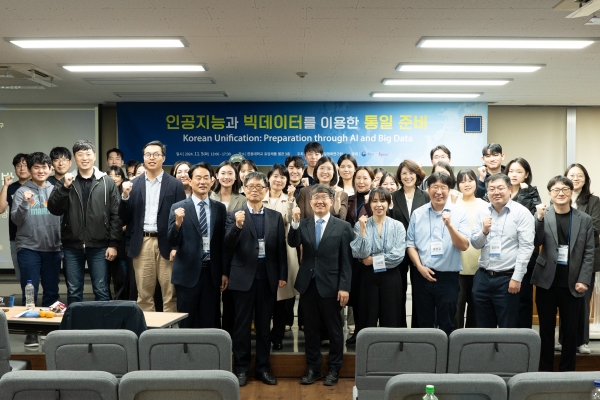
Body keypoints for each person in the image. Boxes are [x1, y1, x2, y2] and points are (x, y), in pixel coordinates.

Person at [224, 171, 287, 387]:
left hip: (267, 276)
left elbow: (280, 249)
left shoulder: (275, 216)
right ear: (243, 189)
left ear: (266, 191)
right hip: (242, 277)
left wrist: (282, 275)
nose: (255, 190)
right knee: (241, 326)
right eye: (250, 186)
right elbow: (227, 245)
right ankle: (241, 369)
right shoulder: (234, 214)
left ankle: (262, 368)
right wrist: (238, 226)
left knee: (263, 325)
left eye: (260, 187)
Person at [288, 184, 353, 386]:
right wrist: (295, 222)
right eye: (316, 198)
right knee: (310, 331)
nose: (320, 201)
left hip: (332, 286)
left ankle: (334, 369)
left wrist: (345, 287)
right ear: (310, 202)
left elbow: (346, 261)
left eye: (324, 198)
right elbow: (292, 242)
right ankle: (313, 369)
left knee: (335, 330)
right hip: (308, 285)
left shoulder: (343, 227)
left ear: (331, 201)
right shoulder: (304, 224)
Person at [48, 140, 122, 304]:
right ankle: (76, 329)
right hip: (72, 246)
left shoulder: (106, 181)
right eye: (80, 154)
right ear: (74, 158)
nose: (85, 158)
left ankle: (103, 329)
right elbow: (54, 208)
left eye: (88, 154)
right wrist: (64, 188)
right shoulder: (66, 181)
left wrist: (113, 244)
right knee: (74, 292)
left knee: (101, 290)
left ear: (94, 156)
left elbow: (116, 214)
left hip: (100, 245)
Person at [532, 176, 594, 372]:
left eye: (565, 189)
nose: (561, 193)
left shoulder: (584, 219)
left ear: (571, 192)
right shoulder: (543, 214)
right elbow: (536, 241)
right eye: (556, 190)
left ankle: (568, 372)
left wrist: (584, 279)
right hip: (546, 282)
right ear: (549, 193)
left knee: (570, 332)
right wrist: (539, 219)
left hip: (573, 282)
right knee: (546, 331)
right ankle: (544, 371)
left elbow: (589, 251)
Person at [118, 140, 186, 312]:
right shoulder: (133, 184)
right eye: (148, 154)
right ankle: (148, 336)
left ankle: (170, 337)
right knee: (144, 295)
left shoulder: (175, 184)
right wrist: (124, 197)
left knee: (170, 295)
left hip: (167, 243)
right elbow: (123, 217)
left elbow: (181, 218)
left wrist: (176, 246)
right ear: (143, 158)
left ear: (163, 158)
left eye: (156, 154)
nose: (152, 158)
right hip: (142, 243)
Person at [406, 172, 470, 335]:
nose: (439, 191)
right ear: (428, 189)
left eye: (443, 187)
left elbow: (463, 245)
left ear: (449, 190)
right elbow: (410, 244)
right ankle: (426, 359)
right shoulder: (418, 213)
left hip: (448, 277)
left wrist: (449, 225)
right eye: (435, 187)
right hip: (422, 275)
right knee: (423, 324)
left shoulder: (459, 213)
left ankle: (446, 360)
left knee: (447, 323)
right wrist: (419, 267)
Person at [470, 173, 535, 328]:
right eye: (491, 189)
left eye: (500, 188)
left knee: (508, 327)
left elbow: (526, 247)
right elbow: (475, 244)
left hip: (508, 278)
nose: (496, 192)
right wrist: (484, 231)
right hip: (483, 277)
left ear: (510, 189)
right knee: (483, 327)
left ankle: (507, 354)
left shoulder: (521, 213)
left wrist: (517, 277)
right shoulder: (482, 212)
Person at [168, 162, 228, 328]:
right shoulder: (178, 207)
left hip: (212, 273)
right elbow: (171, 241)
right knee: (187, 321)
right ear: (190, 180)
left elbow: (222, 243)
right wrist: (178, 224)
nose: (202, 182)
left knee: (210, 320)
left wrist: (224, 272)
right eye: (198, 178)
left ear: (212, 181)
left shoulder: (220, 208)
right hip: (187, 273)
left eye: (206, 178)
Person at [11, 152, 61, 347]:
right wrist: (24, 202)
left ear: (51, 169)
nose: (41, 171)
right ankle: (31, 331)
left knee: (52, 291)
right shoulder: (21, 191)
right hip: (28, 248)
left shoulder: (56, 190)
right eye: (36, 167)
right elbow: (16, 219)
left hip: (52, 248)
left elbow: (64, 219)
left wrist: (63, 245)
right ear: (30, 170)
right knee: (29, 292)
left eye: (44, 167)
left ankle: (50, 330)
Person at [556, 164, 600, 354]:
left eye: (579, 175)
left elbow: (595, 227)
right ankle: (563, 339)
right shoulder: (558, 197)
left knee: (582, 300)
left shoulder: (593, 201)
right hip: (562, 258)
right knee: (564, 299)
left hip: (586, 257)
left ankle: (581, 341)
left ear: (585, 179)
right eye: (571, 175)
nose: (575, 178)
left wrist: (572, 236)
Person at [350, 187, 406, 330]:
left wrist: (373, 260)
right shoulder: (360, 225)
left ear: (389, 203)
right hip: (368, 277)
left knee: (391, 318)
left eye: (382, 201)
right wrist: (362, 230)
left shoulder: (398, 226)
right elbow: (360, 254)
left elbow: (398, 256)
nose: (378, 205)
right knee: (366, 318)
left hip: (391, 277)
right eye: (374, 201)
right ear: (369, 203)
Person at [388, 160, 430, 327]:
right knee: (398, 291)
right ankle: (400, 328)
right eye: (404, 173)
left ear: (417, 175)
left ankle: (418, 329)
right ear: (399, 176)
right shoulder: (392, 197)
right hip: (397, 249)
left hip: (419, 250)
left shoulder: (426, 196)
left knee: (420, 292)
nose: (407, 176)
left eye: (411, 173)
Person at [262, 165, 299, 351]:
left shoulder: (290, 199)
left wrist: (291, 200)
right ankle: (263, 335)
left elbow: (293, 221)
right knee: (264, 297)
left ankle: (277, 337)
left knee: (282, 299)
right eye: (275, 176)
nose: (279, 180)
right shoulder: (260, 197)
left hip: (285, 251)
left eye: (283, 177)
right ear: (268, 178)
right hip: (262, 253)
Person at [503, 157, 541, 329]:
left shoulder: (532, 193)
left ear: (526, 174)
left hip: (526, 255)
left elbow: (531, 222)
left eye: (519, 171)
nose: (514, 174)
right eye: (511, 171)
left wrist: (524, 194)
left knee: (524, 300)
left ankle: (525, 340)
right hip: (504, 255)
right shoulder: (501, 190)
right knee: (506, 301)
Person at [210, 160, 247, 334]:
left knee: (232, 298)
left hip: (236, 253)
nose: (226, 177)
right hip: (212, 252)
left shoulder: (243, 199)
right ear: (217, 176)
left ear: (236, 177)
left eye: (230, 173)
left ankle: (230, 334)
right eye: (223, 173)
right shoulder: (209, 196)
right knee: (212, 296)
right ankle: (215, 334)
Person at [454, 169, 487, 329]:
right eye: (462, 181)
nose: (467, 184)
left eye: (470, 180)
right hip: (456, 266)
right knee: (456, 310)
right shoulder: (452, 204)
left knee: (476, 311)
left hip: (479, 268)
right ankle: (454, 348)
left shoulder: (485, 206)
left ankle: (471, 348)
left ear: (476, 182)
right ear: (457, 184)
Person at [345, 166, 374, 345]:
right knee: (355, 294)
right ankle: (358, 331)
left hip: (370, 254)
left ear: (372, 180)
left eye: (365, 178)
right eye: (358, 178)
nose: (361, 182)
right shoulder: (349, 200)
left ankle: (367, 332)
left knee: (367, 295)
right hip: (351, 252)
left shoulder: (377, 199)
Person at [0, 153, 31, 283]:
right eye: (18, 166)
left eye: (25, 165)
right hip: (16, 237)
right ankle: (27, 301)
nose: (22, 168)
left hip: (36, 237)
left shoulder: (38, 185)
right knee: (22, 276)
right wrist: (6, 186)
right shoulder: (11, 188)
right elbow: (1, 209)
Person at [296, 156, 348, 221]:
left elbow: (341, 219)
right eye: (322, 168)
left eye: (329, 169)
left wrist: (337, 199)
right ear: (316, 171)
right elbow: (300, 221)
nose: (325, 172)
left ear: (334, 172)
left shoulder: (342, 194)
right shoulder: (305, 191)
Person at [105, 166, 129, 300]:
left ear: (123, 178)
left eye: (117, 175)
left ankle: (119, 305)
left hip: (121, 244)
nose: (114, 178)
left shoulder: (126, 195)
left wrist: (116, 229)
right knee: (103, 281)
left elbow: (130, 220)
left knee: (121, 279)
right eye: (110, 175)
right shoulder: (102, 193)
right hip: (103, 241)